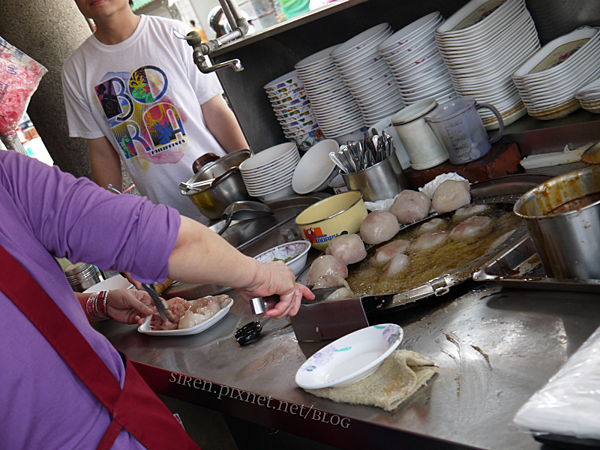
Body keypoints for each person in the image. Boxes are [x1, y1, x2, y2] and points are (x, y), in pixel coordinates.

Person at [0, 149, 313, 449]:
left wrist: (93, 303)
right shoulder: (7, 179)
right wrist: (261, 276)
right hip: (110, 435)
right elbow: (167, 242)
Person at [62, 0, 249, 224]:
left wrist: (252, 171)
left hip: (226, 191)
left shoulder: (175, 34)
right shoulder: (76, 69)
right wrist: (109, 221)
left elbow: (216, 111)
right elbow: (102, 153)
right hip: (169, 220)